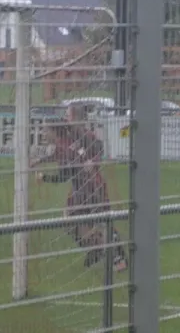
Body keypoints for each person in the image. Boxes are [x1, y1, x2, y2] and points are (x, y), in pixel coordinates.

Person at [32, 106, 127, 272]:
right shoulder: (68, 138)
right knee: (74, 221)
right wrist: (41, 159)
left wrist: (43, 177)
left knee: (99, 222)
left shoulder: (78, 135)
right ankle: (97, 250)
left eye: (45, 130)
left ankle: (116, 258)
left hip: (90, 187)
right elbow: (65, 155)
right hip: (83, 188)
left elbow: (64, 174)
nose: (43, 134)